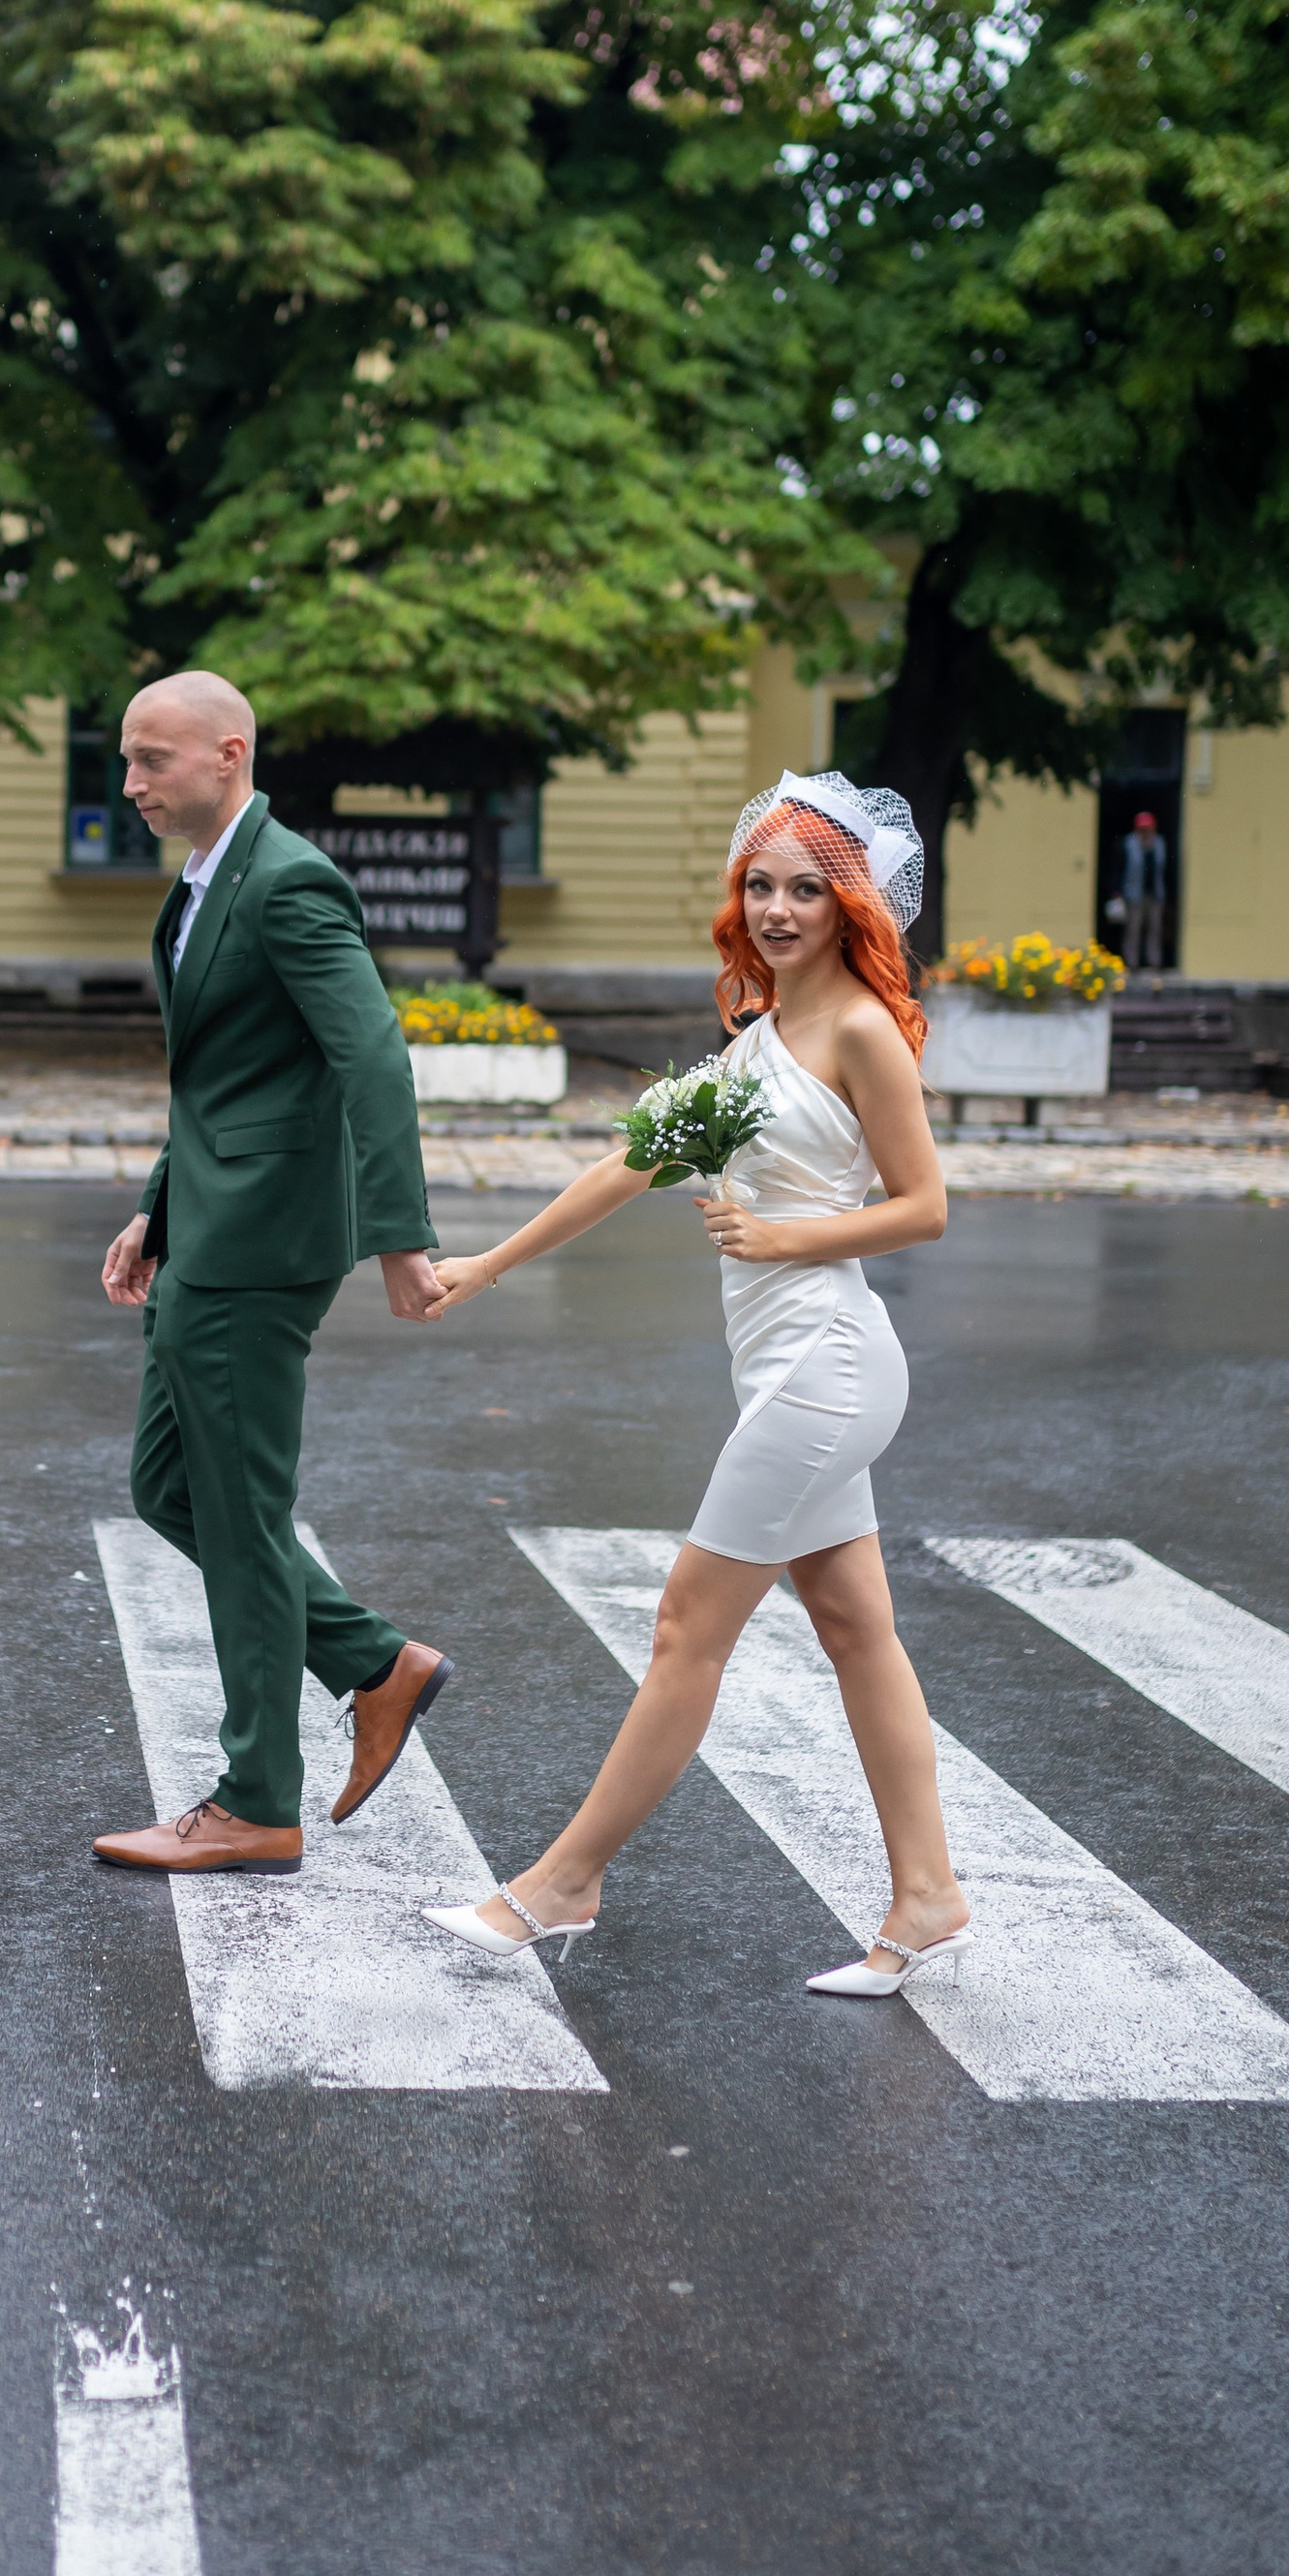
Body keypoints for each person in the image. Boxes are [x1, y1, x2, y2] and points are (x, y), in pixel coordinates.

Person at [415, 771, 970, 1999]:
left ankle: (562, 1881)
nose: (776, 909)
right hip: (786, 1365)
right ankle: (928, 1894)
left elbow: (925, 1207)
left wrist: (784, 1236)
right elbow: (629, 1165)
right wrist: (488, 1266)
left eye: (805, 890)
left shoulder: (862, 1032)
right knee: (855, 1629)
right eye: (758, 886)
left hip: (825, 1365)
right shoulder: (752, 1043)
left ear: (848, 906)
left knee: (684, 1627)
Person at [93, 675, 453, 1877]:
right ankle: (372, 1661)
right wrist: (154, 1209)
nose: (132, 784)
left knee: (240, 1518)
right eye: (128, 761)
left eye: (152, 760)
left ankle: (257, 1800)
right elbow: (221, 1078)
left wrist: (400, 1239)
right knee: (169, 1488)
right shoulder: (206, 880)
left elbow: (372, 1057)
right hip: (208, 1226)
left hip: (258, 1247)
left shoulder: (288, 880)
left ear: (227, 754)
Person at [1114, 810, 1170, 971]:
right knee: (1133, 929)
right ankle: (1131, 962)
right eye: (1142, 829)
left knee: (1155, 929)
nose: (1145, 832)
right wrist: (1116, 891)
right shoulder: (1127, 844)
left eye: (1148, 828)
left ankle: (1154, 961)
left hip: (1155, 894)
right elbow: (1118, 868)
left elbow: (1166, 870)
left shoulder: (1160, 844)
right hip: (1133, 894)